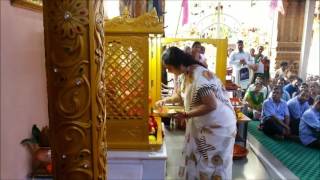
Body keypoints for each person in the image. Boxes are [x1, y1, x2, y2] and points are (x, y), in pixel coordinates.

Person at [156, 47, 236, 179]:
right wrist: (165, 101)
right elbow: (180, 96)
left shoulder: (199, 77)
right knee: (197, 158)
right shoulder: (185, 74)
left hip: (217, 127)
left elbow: (211, 105)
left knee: (211, 163)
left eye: (169, 67)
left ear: (180, 64)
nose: (167, 70)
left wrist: (187, 115)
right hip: (204, 124)